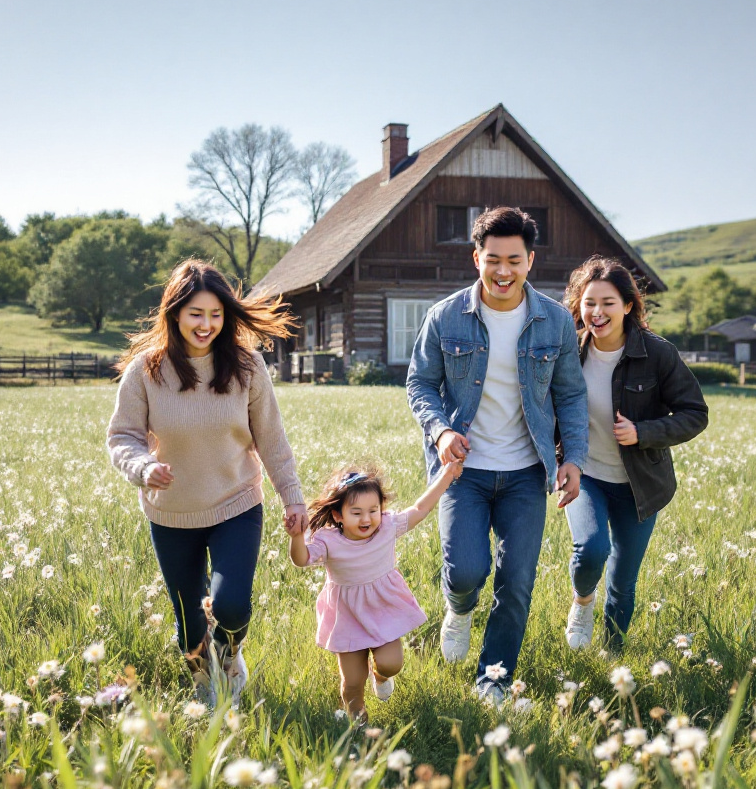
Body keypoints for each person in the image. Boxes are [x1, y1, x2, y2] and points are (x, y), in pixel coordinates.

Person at [405, 206, 589, 705]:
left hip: (528, 474)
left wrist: (572, 456)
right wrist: (441, 431)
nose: (503, 271)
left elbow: (571, 395)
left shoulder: (553, 321)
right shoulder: (444, 317)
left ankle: (494, 678)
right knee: (465, 572)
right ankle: (459, 609)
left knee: (517, 581)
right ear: (476, 259)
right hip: (460, 473)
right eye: (493, 259)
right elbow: (420, 382)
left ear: (531, 260)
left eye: (514, 260)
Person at [107, 259, 307, 708]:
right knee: (188, 626)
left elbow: (272, 439)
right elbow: (122, 436)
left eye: (216, 315)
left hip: (236, 503)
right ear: (174, 312)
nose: (207, 324)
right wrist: (142, 468)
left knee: (231, 606)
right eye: (196, 313)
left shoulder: (246, 366)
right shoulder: (146, 371)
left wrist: (292, 498)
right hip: (172, 511)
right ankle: (204, 683)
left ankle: (231, 656)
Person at [560, 255, 708, 652]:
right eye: (589, 303)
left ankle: (613, 657)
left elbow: (696, 414)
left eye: (608, 303)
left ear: (628, 305)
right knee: (591, 550)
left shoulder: (657, 354)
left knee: (623, 582)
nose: (597, 312)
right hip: (587, 475)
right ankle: (582, 601)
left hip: (640, 485)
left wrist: (642, 432)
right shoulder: (569, 351)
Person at [287, 462, 462, 721]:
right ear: (338, 515)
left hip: (383, 610)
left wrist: (446, 475)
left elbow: (420, 508)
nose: (366, 519)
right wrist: (297, 537)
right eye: (356, 512)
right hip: (346, 616)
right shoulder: (328, 541)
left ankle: (379, 676)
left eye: (373, 510)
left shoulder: (387, 528)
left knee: (392, 663)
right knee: (353, 682)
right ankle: (359, 724)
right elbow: (301, 560)